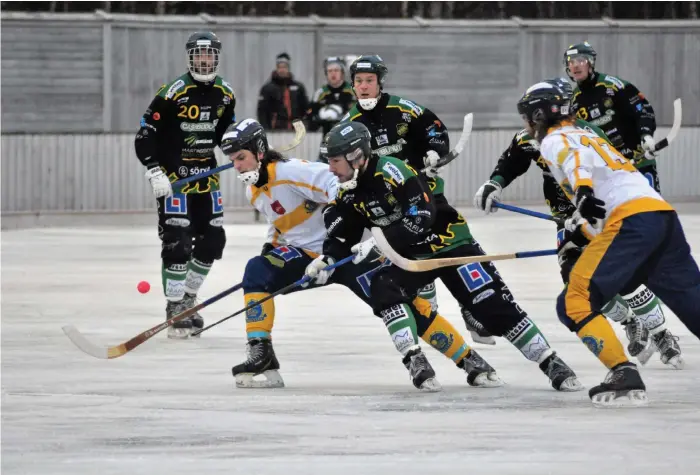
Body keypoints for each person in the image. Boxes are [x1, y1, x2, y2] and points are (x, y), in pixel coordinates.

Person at [220, 119, 501, 391]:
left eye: (241, 157)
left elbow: (337, 185)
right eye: (232, 160)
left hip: (350, 252)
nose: (237, 165)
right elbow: (278, 223)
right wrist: (271, 247)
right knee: (256, 271)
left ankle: (468, 360)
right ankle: (261, 352)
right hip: (310, 260)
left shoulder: (291, 172)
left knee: (401, 304)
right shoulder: (253, 191)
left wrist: (337, 232)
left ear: (259, 151)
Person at [310, 121, 584, 393]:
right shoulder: (348, 189)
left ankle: (551, 362)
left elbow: (422, 216)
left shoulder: (393, 170)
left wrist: (382, 243)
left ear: (356, 157)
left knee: (492, 306)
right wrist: (328, 260)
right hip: (412, 255)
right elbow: (342, 235)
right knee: (384, 287)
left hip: (452, 244)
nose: (330, 168)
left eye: (334, 161)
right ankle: (415, 360)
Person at [474, 78, 683, 369]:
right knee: (574, 277)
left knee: (626, 275)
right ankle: (630, 321)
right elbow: (511, 162)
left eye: (528, 115)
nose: (525, 123)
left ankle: (662, 335)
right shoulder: (529, 138)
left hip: (600, 213)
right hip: (568, 216)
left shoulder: (586, 133)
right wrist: (493, 184)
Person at [516, 80, 700, 406]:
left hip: (631, 222)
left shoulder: (554, 139)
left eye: (527, 117)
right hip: (660, 215)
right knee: (692, 303)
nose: (526, 125)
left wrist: (583, 191)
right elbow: (608, 189)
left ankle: (622, 372)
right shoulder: (590, 134)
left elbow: (575, 161)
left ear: (539, 115)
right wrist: (580, 231)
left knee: (574, 302)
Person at [338, 55, 491, 343]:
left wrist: (435, 149)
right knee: (414, 257)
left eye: (370, 81)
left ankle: (471, 306)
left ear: (380, 82)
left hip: (423, 191)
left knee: (452, 243)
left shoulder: (404, 108)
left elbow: (434, 128)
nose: (364, 87)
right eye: (359, 81)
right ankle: (430, 310)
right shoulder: (350, 122)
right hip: (387, 206)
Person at [134, 31, 236, 339]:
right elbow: (146, 132)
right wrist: (154, 169)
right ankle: (174, 305)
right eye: (198, 55)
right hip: (176, 181)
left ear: (216, 57)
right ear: (190, 57)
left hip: (207, 179)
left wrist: (247, 153)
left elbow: (225, 135)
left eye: (209, 55)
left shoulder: (226, 93)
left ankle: (190, 299)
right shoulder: (173, 92)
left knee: (213, 241)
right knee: (177, 243)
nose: (204, 61)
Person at [565, 42, 660, 190]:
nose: (575, 66)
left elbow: (643, 111)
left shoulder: (614, 86)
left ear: (590, 63)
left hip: (638, 161)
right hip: (608, 171)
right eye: (571, 62)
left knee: (653, 210)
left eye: (580, 60)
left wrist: (646, 134)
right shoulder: (574, 101)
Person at [306, 56, 356, 162]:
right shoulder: (320, 93)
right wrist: (319, 119)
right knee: (321, 167)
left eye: (336, 70)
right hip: (328, 141)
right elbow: (310, 120)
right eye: (330, 71)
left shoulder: (352, 91)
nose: (333, 74)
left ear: (342, 72)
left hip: (350, 140)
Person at [257, 52, 309, 131]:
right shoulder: (267, 89)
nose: (282, 70)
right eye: (279, 67)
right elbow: (262, 112)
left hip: (295, 130)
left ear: (288, 68)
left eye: (284, 67)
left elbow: (305, 109)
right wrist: (266, 129)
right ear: (276, 68)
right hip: (275, 130)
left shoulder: (298, 87)